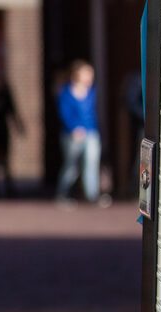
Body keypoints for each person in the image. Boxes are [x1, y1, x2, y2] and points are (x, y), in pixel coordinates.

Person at [55, 60, 104, 205]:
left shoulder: (92, 92)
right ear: (77, 75)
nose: (90, 77)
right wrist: (73, 128)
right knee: (72, 165)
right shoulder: (65, 92)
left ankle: (92, 195)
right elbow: (64, 113)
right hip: (72, 134)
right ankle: (62, 194)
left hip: (91, 132)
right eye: (87, 74)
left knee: (92, 163)